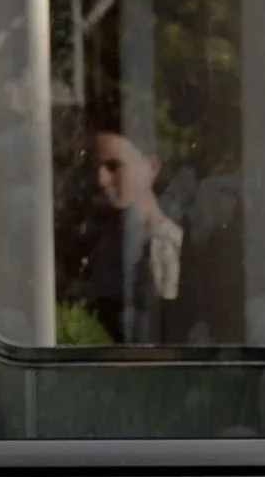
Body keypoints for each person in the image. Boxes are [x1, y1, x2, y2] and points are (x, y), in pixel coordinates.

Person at [82, 130, 192, 347]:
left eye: (115, 167)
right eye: (97, 168)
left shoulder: (162, 244)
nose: (101, 180)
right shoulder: (102, 237)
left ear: (151, 167)